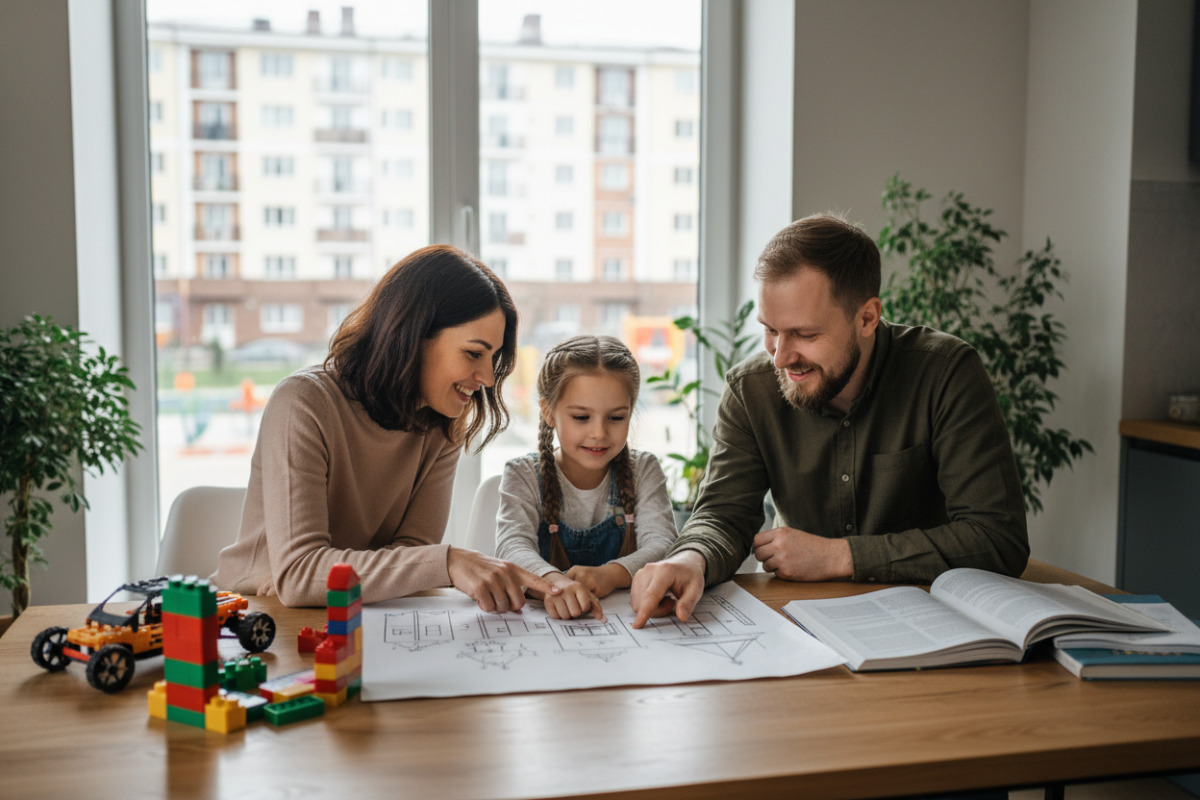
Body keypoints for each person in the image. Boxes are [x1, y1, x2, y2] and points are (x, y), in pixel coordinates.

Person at [630, 214, 1029, 628]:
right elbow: (723, 514)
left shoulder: (945, 373)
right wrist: (689, 559)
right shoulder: (751, 391)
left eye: (804, 334)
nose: (781, 357)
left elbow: (997, 538)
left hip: (936, 625)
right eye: (770, 330)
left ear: (867, 318)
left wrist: (840, 556)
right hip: (805, 628)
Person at [213, 244, 559, 611]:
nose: (488, 378)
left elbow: (410, 554)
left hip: (356, 611)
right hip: (254, 613)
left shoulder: (443, 426)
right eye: (474, 353)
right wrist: (446, 562)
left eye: (494, 358)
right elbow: (301, 576)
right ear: (412, 335)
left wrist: (331, 576)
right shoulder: (303, 403)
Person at [495, 335, 677, 620]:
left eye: (616, 418)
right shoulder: (523, 475)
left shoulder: (644, 470)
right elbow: (512, 547)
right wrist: (555, 583)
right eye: (581, 417)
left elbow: (663, 545)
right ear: (548, 411)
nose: (599, 433)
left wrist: (610, 575)